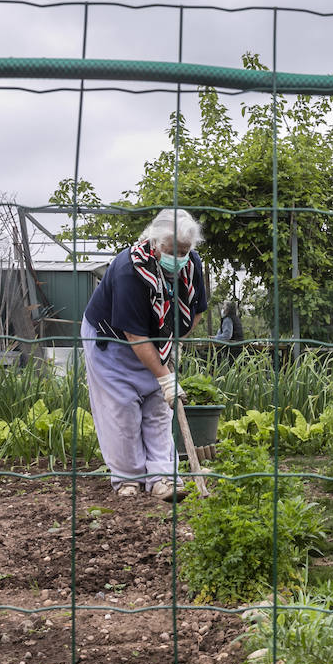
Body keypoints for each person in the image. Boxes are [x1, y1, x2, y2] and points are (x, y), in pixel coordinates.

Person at [82, 209, 207, 499]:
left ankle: (163, 479)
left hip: (156, 342)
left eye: (184, 251)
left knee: (160, 410)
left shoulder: (191, 265)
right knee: (122, 409)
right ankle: (128, 478)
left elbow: (197, 311)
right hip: (114, 342)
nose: (177, 257)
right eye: (170, 250)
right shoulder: (129, 270)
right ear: (153, 244)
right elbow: (135, 336)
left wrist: (173, 343)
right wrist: (165, 378)